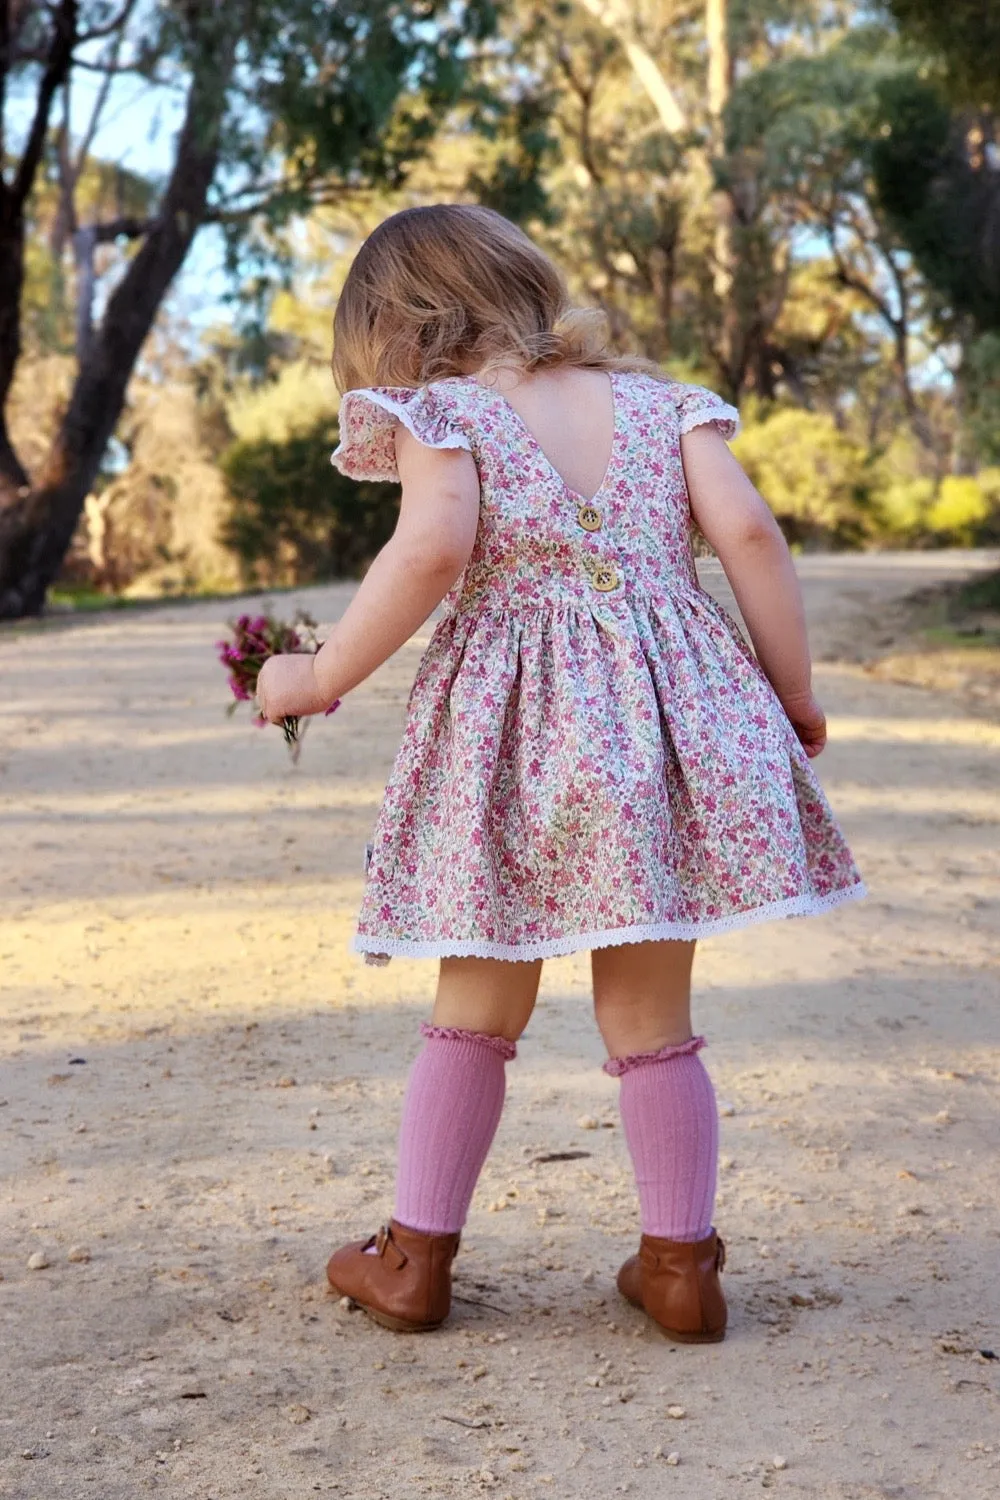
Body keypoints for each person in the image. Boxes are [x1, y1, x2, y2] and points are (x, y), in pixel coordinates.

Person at [255, 203, 865, 1343]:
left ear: (399, 331)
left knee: (475, 1005)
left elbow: (431, 548)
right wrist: (789, 692)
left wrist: (322, 671)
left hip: (515, 748)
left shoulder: (445, 412)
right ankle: (680, 1264)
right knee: (650, 1018)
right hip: (659, 747)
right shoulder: (665, 405)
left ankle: (414, 1258)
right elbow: (750, 537)